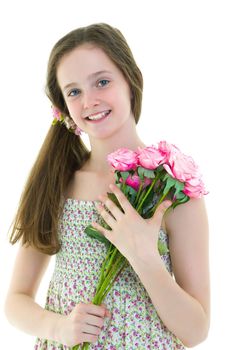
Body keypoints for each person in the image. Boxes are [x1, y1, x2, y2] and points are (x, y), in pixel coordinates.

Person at [4, 23, 210, 349]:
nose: (89, 101)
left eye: (102, 82)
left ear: (131, 81)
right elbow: (15, 300)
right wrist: (58, 327)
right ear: (63, 107)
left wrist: (144, 256)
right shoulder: (57, 184)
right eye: (74, 91)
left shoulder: (171, 192)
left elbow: (195, 330)